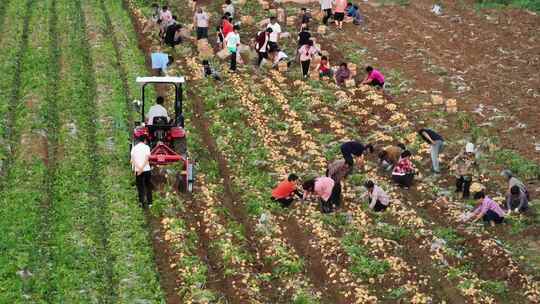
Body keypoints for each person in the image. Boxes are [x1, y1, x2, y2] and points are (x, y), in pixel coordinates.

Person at [131, 136, 153, 208]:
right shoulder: (147, 147)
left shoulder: (134, 148)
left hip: (138, 171)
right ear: (145, 140)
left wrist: (138, 169)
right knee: (148, 186)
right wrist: (142, 168)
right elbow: (147, 159)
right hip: (146, 170)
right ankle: (150, 203)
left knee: (140, 187)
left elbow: (133, 160)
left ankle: (141, 202)